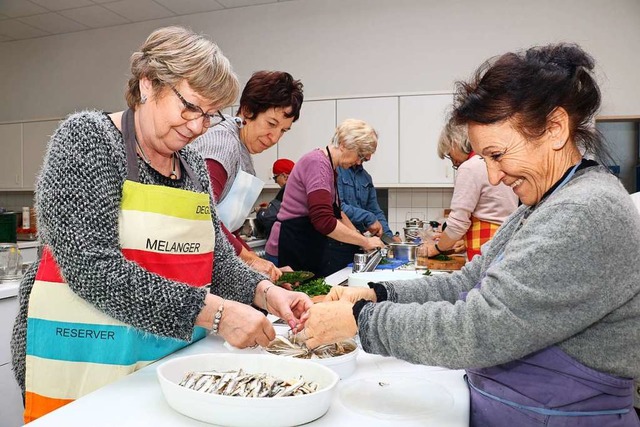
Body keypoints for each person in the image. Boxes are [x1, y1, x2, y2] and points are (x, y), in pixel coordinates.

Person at [302, 43, 640, 426]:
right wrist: (379, 293)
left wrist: (360, 319)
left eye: (497, 155)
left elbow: (480, 328)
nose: (493, 177)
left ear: (555, 129)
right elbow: (467, 282)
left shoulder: (584, 211)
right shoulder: (545, 202)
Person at [10, 26, 312, 423]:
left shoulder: (194, 170)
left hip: (162, 358)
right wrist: (216, 314)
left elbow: (216, 260)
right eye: (190, 107)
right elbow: (91, 268)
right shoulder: (89, 139)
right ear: (149, 84)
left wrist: (264, 291)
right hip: (86, 360)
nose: (197, 126)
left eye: (209, 115)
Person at [191, 71, 303, 282]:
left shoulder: (243, 148)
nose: (275, 137)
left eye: (283, 131)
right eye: (271, 124)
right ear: (247, 110)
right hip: (196, 271)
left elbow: (227, 229)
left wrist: (261, 264)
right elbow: (201, 216)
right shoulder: (222, 144)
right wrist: (250, 260)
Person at [265, 119, 385, 277]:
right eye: (360, 155)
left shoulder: (330, 167)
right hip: (288, 246)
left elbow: (337, 213)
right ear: (343, 144)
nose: (358, 162)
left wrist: (361, 239)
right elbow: (324, 220)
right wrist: (365, 242)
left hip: (304, 245)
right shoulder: (317, 164)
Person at [421, 118, 518, 260]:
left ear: (455, 142)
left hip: (484, 247)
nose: (453, 161)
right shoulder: (494, 161)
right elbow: (492, 211)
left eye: (449, 153)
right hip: (504, 242)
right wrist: (463, 242)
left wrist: (436, 248)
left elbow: (457, 224)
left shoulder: (470, 167)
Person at [337, 164, 401, 242]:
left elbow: (375, 211)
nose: (369, 157)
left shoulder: (366, 177)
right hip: (338, 240)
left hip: (359, 240)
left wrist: (389, 238)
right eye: (366, 152)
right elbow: (338, 208)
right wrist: (369, 217)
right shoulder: (337, 171)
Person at [255, 158, 295, 237]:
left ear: (284, 176)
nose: (275, 181)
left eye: (275, 177)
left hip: (286, 240)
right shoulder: (300, 188)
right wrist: (270, 208)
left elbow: (269, 218)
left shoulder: (287, 190)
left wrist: (260, 211)